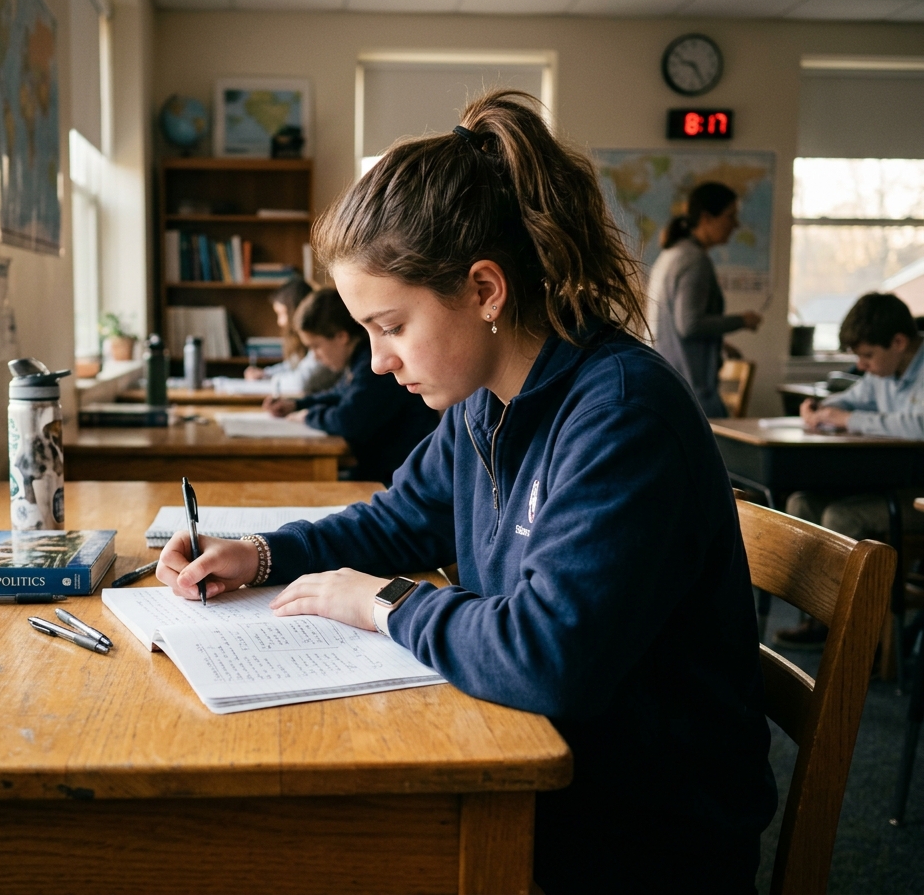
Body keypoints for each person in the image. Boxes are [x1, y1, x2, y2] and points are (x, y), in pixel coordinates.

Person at [158, 89, 776, 892]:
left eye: (391, 326)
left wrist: (380, 603)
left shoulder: (622, 416)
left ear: (486, 290)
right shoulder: (486, 402)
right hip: (546, 771)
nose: (377, 361)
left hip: (639, 832)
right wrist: (265, 553)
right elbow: (399, 520)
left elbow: (549, 657)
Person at [776, 291, 924, 648]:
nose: (862, 365)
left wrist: (848, 419)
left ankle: (857, 643)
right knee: (803, 504)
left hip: (916, 497)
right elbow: (851, 397)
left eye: (867, 355)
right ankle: (822, 620)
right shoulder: (883, 371)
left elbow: (919, 424)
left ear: (899, 342)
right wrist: (818, 406)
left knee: (842, 517)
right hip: (887, 484)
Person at [263, 287, 439, 485]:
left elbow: (347, 420)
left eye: (316, 346)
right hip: (381, 471)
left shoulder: (372, 369)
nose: (315, 356)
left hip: (397, 479)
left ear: (341, 336)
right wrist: (297, 404)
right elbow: (339, 395)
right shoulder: (357, 361)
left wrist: (308, 416)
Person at [650, 181, 763, 417]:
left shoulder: (671, 255)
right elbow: (689, 325)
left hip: (664, 385)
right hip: (691, 394)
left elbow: (672, 325)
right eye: (730, 216)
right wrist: (742, 320)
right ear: (706, 218)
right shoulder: (694, 260)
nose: (736, 225)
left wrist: (718, 342)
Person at [242, 275, 340, 395]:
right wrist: (266, 374)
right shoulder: (304, 345)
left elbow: (301, 382)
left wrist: (273, 381)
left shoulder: (323, 340)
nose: (280, 322)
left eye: (282, 314)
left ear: (295, 311)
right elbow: (293, 365)